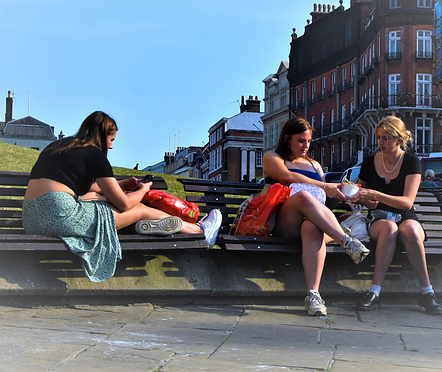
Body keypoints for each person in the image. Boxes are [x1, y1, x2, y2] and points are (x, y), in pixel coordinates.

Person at [22, 111, 222, 282]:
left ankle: (152, 227)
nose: (111, 147)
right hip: (60, 216)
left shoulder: (59, 147)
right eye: (111, 140)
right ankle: (199, 231)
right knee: (139, 209)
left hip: (32, 218)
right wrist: (143, 190)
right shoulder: (93, 153)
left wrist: (122, 184)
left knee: (95, 197)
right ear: (102, 136)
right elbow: (125, 204)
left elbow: (85, 188)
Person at [262, 117, 370, 316]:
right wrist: (324, 186)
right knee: (303, 195)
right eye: (300, 140)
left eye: (309, 141)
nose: (306, 146)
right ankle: (347, 241)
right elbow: (287, 177)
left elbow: (323, 202)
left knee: (312, 227)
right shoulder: (273, 158)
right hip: (285, 221)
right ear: (287, 139)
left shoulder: (315, 166)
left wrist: (345, 195)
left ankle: (314, 295)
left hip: (309, 225)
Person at [347, 116, 442, 314]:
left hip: (405, 215)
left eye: (387, 138)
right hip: (379, 219)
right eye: (379, 137)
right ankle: (375, 291)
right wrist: (363, 198)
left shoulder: (411, 162)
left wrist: (376, 194)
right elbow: (360, 195)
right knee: (389, 228)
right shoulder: (368, 162)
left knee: (412, 232)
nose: (381, 143)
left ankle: (427, 292)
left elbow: (407, 202)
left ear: (399, 139)